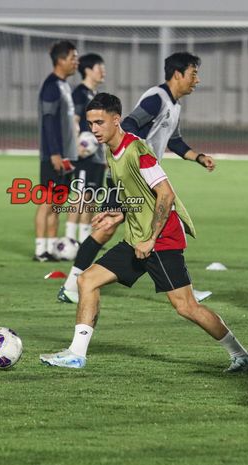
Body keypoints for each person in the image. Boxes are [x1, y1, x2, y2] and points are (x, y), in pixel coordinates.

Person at [40, 93, 248, 371]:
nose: (94, 129)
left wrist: (151, 239)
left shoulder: (137, 150)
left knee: (186, 307)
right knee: (87, 281)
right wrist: (118, 213)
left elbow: (165, 195)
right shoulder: (111, 150)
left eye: (100, 123)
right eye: (91, 123)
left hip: (161, 239)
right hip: (137, 239)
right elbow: (135, 194)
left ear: (117, 121)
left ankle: (242, 355)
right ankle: (76, 354)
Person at [58, 52, 214, 304]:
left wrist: (198, 157)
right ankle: (72, 286)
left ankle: (73, 286)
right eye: (193, 73)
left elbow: (174, 141)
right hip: (130, 178)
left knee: (117, 228)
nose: (196, 80)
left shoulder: (174, 104)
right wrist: (127, 160)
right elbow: (128, 124)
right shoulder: (156, 99)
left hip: (142, 178)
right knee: (109, 228)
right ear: (178, 74)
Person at [34, 40, 78, 262]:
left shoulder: (64, 85)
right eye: (72, 58)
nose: (75, 62)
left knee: (58, 202)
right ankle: (40, 249)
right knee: (47, 201)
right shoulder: (51, 86)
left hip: (67, 156)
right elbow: (48, 121)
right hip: (55, 156)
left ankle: (51, 248)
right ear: (60, 60)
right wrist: (54, 153)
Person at [65, 53, 107, 244]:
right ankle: (68, 240)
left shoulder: (94, 96)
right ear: (88, 70)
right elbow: (72, 121)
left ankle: (84, 241)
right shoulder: (80, 93)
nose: (103, 71)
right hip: (84, 154)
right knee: (80, 196)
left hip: (97, 156)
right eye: (100, 68)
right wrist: (75, 148)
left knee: (91, 198)